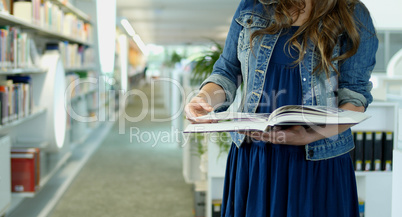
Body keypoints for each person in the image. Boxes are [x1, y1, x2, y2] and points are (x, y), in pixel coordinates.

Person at [185, 0, 378, 216]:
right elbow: (227, 71)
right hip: (255, 158)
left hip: (318, 160)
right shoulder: (252, 6)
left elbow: (355, 96)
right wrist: (204, 99)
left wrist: (311, 134)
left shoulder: (352, 13)